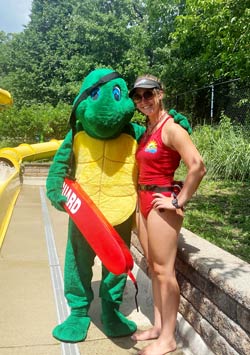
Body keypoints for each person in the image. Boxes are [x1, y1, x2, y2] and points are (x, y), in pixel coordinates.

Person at [129, 75, 206, 355]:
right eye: (137, 97)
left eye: (148, 95)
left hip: (162, 202)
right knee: (153, 265)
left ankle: (168, 339)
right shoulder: (148, 130)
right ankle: (159, 327)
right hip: (143, 199)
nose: (143, 101)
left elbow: (197, 166)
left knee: (164, 271)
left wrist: (179, 199)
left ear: (160, 94)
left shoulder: (171, 128)